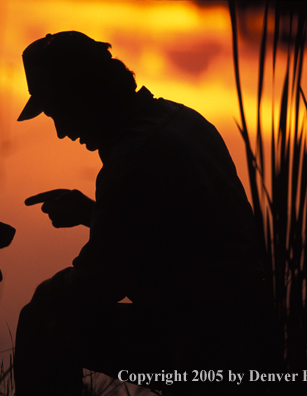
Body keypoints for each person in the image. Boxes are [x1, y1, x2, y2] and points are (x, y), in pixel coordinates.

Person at [14, 31, 278, 396]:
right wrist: (93, 213)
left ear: (86, 96)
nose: (62, 132)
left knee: (43, 318)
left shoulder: (128, 164)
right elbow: (174, 233)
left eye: (60, 113)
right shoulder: (183, 119)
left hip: (207, 346)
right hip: (252, 329)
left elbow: (100, 284)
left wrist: (51, 289)